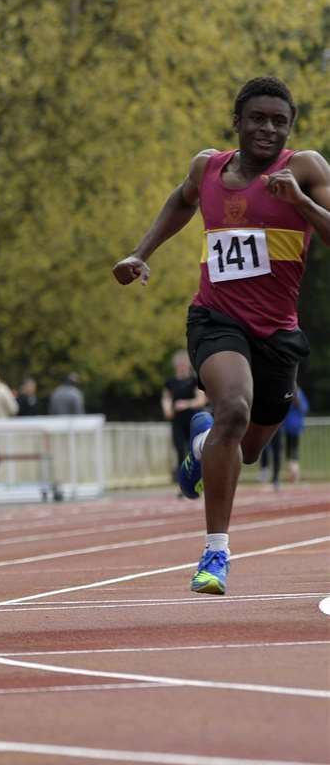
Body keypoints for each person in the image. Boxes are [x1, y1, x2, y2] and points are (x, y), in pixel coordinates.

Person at [113, 76, 319, 596]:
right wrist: (141, 253)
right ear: (238, 121)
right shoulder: (207, 167)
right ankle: (216, 553)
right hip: (216, 319)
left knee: (247, 449)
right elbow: (181, 202)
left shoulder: (305, 169)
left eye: (279, 121)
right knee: (234, 408)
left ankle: (200, 442)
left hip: (278, 333)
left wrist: (301, 203)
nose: (268, 129)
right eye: (258, 118)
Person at [162, 349, 206, 483]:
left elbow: (201, 400)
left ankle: (198, 476)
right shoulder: (170, 382)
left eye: (183, 364)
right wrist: (167, 409)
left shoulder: (194, 381)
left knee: (195, 449)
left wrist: (185, 404)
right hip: (178, 421)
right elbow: (166, 398)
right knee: (179, 448)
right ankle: (183, 478)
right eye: (179, 365)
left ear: (188, 365)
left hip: (193, 420)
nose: (181, 367)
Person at [282, 385, 308, 483]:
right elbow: (305, 408)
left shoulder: (291, 394)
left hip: (290, 426)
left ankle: (294, 474)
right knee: (293, 451)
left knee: (291, 452)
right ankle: (294, 474)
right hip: (295, 426)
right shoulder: (297, 394)